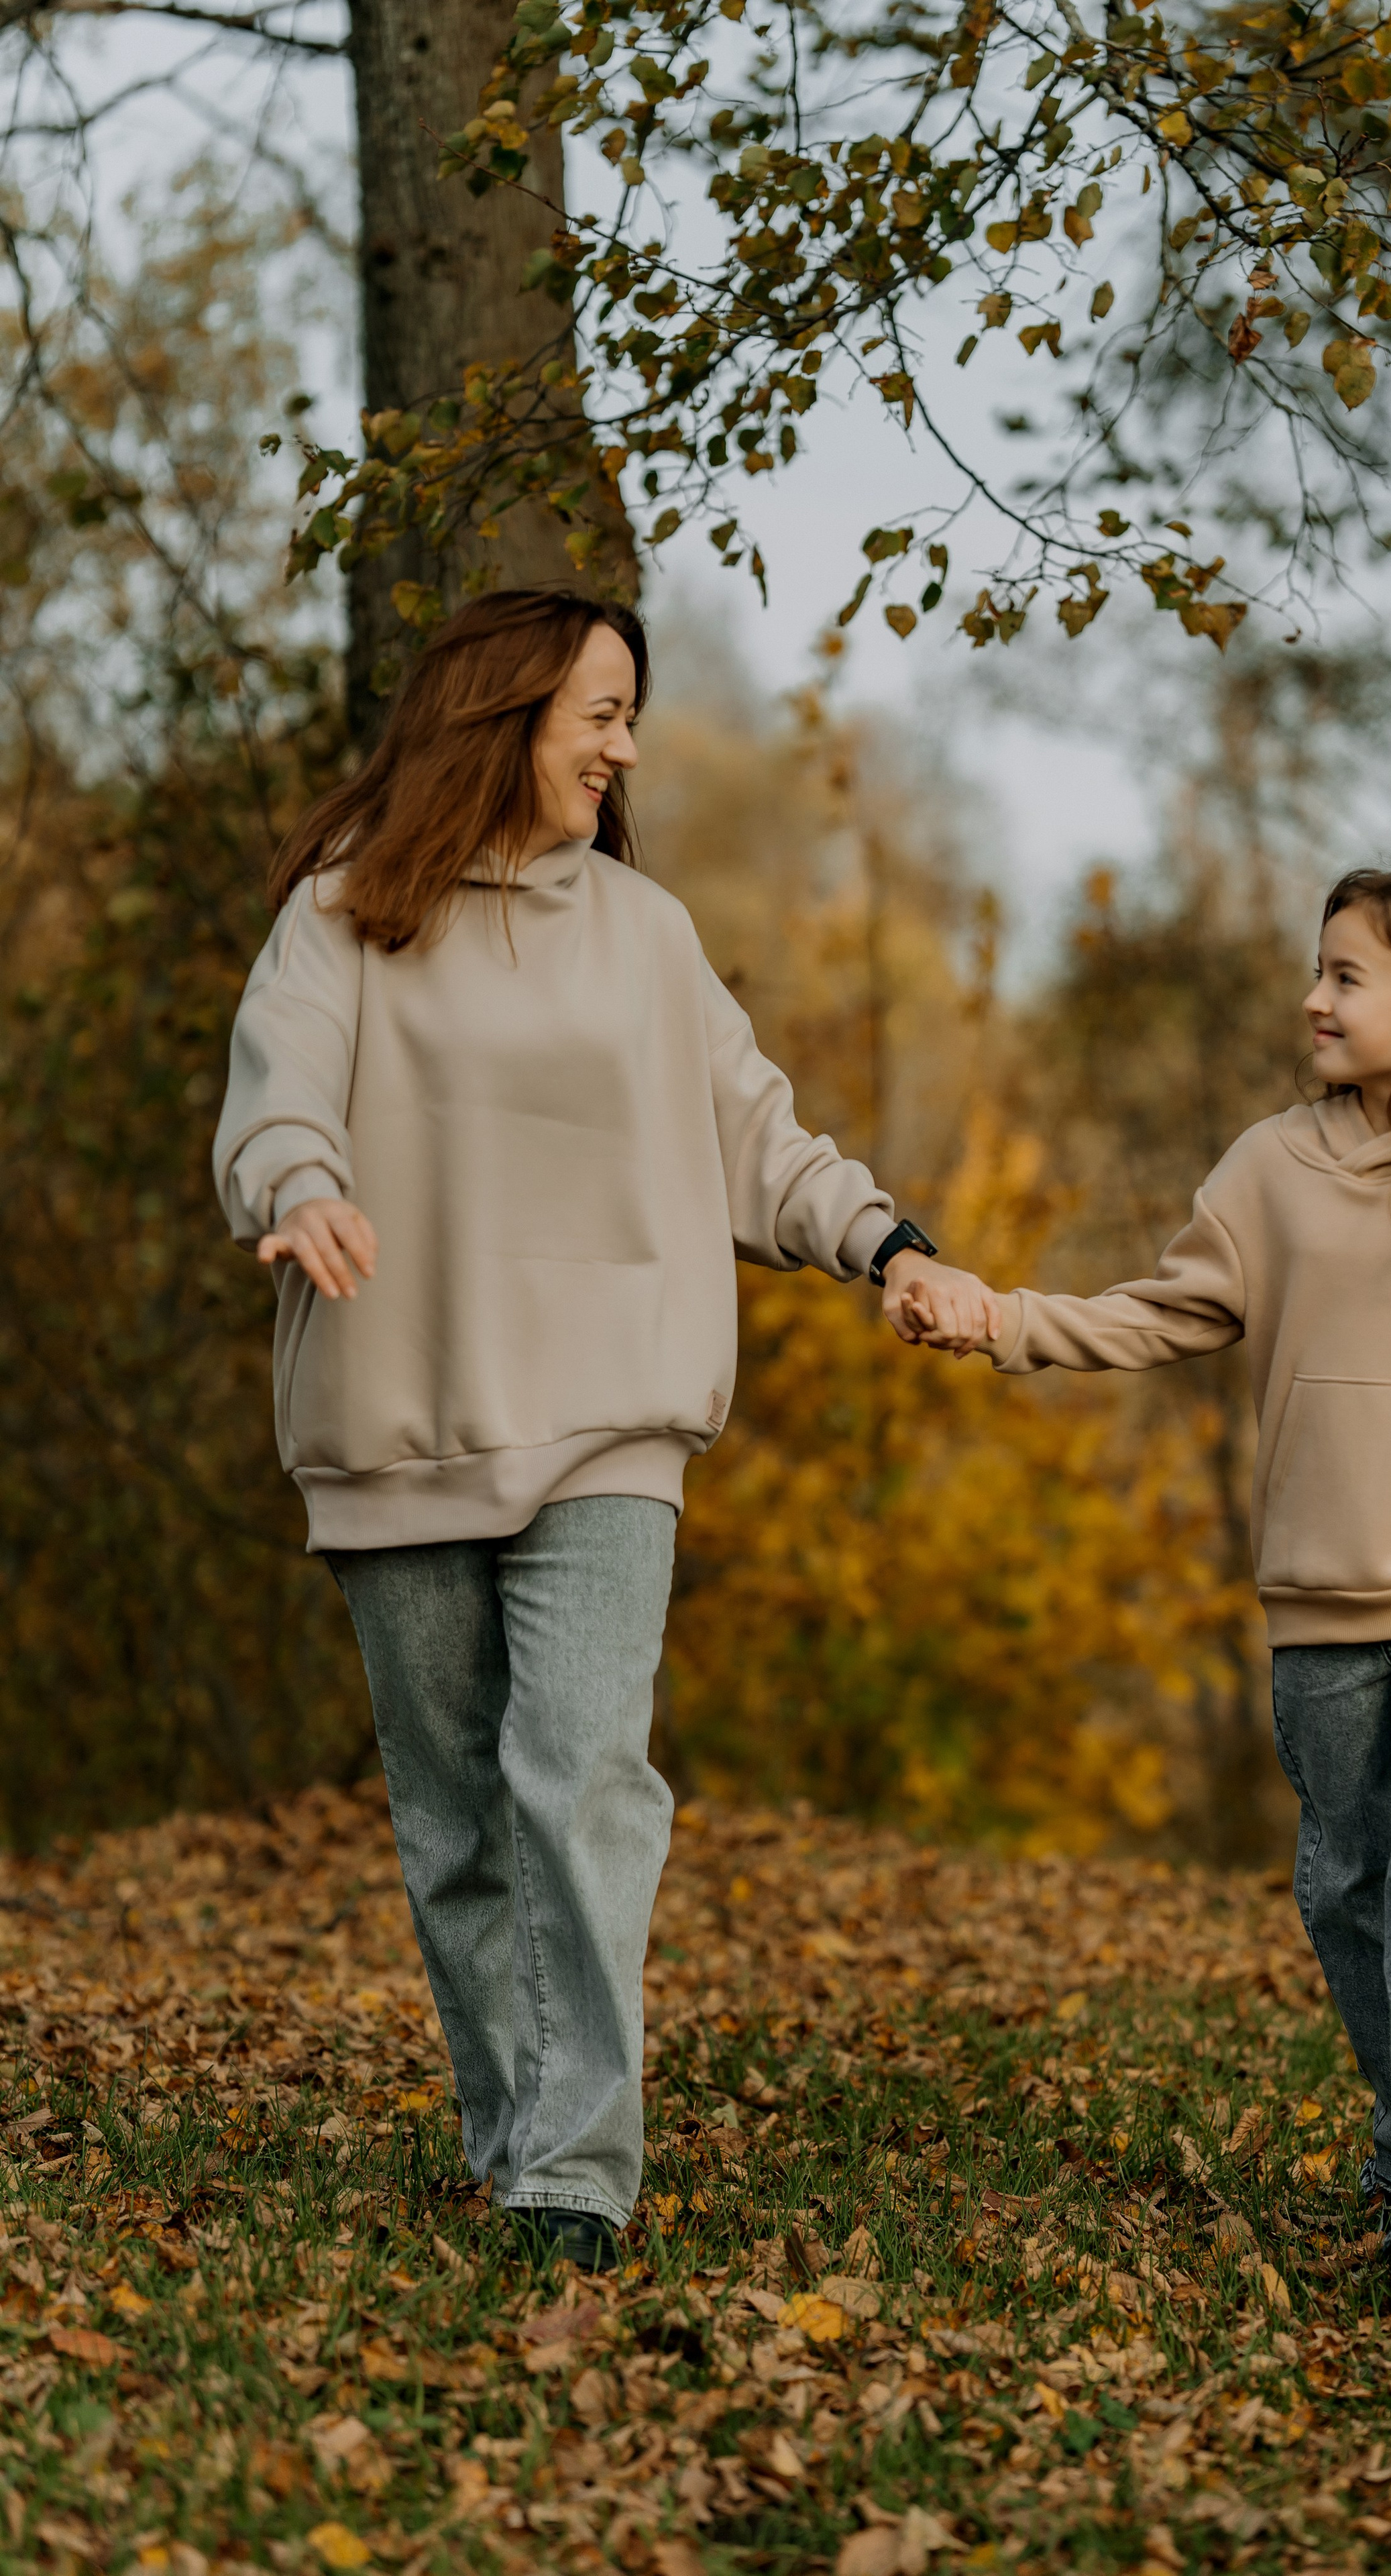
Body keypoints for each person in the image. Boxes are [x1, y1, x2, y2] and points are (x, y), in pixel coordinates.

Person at [213, 586, 999, 2271]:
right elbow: (276, 1098)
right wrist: (302, 1188)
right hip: (399, 1416)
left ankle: (574, 2176)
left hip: (612, 1423)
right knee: (455, 1828)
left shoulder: (642, 931)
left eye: (630, 713)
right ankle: (514, 2134)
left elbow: (757, 1138)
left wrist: (891, 1245)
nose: (623, 745)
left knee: (578, 1780)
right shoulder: (345, 920)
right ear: (506, 718)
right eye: (602, 712)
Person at [912, 869, 1391, 2321]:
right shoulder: (1267, 1166)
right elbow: (1163, 1310)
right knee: (1344, 1878)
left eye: (1345, 976)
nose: (1313, 999)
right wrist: (1003, 1320)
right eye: (1316, 971)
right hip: (1317, 1590)